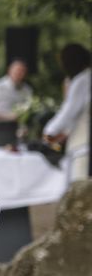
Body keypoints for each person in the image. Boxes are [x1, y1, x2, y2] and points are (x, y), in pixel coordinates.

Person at [43, 43, 91, 181]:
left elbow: (69, 111)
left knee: (79, 186)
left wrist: (48, 131)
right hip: (81, 140)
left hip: (83, 143)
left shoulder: (82, 80)